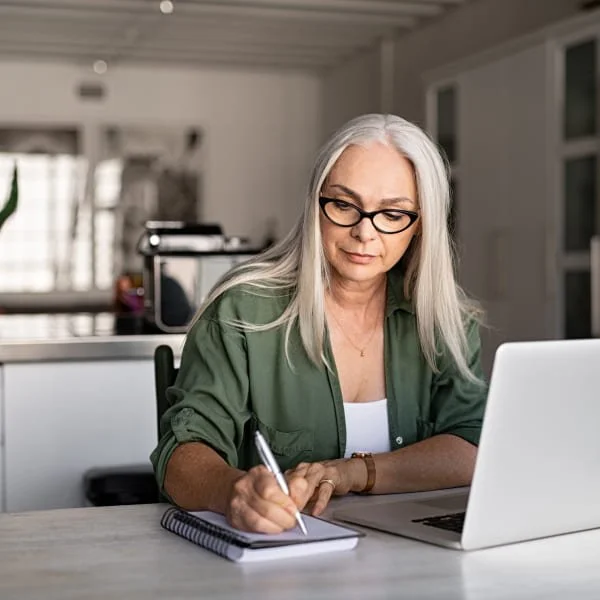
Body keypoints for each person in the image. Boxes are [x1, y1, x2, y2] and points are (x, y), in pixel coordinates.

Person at [151, 113, 487, 534]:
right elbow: (181, 453)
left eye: (393, 213)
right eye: (344, 205)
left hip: (416, 556)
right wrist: (232, 491)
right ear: (316, 205)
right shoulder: (241, 310)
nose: (365, 233)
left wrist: (350, 473)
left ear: (420, 225)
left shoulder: (444, 320)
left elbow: (472, 446)